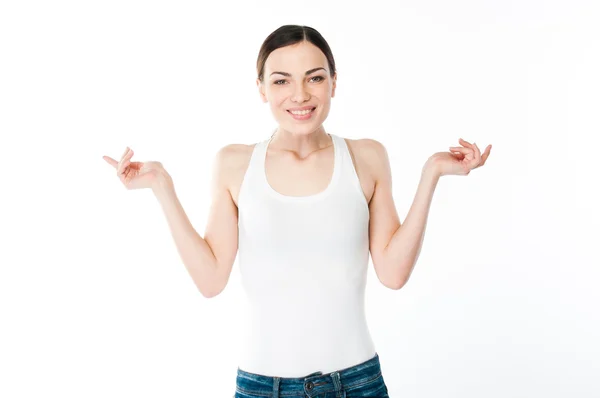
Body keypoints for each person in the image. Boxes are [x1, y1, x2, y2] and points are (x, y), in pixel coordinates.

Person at [103, 24, 491, 398]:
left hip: (356, 384)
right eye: (281, 80)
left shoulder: (367, 157)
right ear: (261, 89)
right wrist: (162, 187)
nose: (300, 95)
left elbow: (393, 273)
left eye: (315, 78)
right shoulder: (234, 163)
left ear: (334, 83)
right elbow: (210, 280)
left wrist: (432, 174)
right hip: (260, 386)